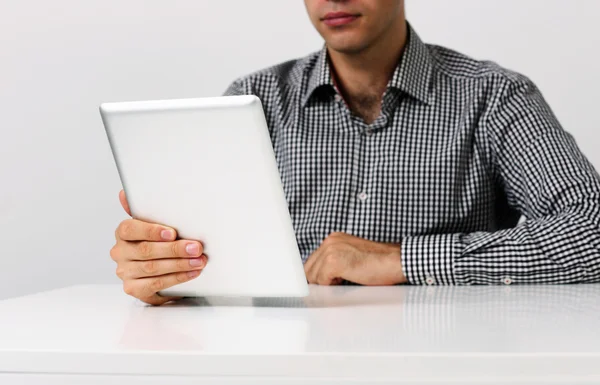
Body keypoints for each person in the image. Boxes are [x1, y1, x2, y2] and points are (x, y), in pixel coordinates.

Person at [110, 0, 600, 305]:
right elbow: (203, 259)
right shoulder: (254, 100)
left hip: (441, 372)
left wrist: (406, 260)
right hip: (275, 373)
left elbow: (592, 229)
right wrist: (166, 274)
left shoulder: (493, 96)